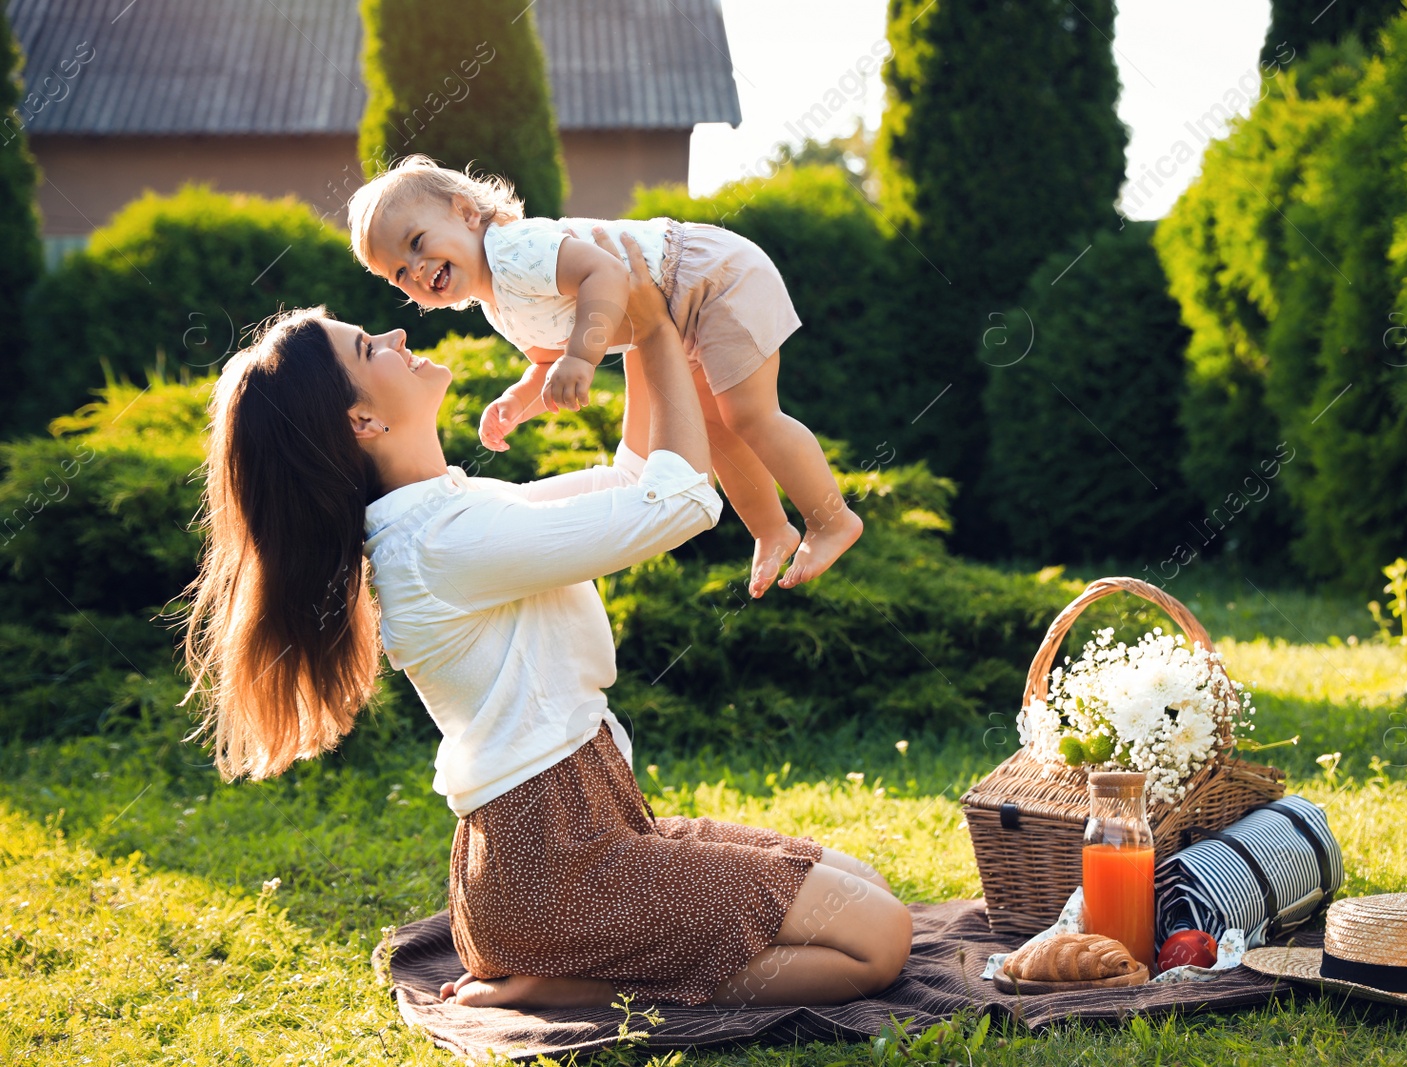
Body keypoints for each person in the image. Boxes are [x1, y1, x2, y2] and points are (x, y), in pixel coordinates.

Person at [180, 231, 911, 1010]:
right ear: (361, 421)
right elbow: (681, 503)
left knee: (860, 888)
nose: (396, 334)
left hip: (590, 831)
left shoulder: (449, 511)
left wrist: (637, 324)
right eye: (370, 346)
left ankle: (580, 968)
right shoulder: (438, 543)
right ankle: (580, 985)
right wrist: (658, 328)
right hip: (552, 868)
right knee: (877, 939)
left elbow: (632, 479)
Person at [346, 155, 863, 600]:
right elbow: (548, 363)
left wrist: (582, 358)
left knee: (749, 414)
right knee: (716, 424)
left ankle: (832, 520)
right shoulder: (497, 306)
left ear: (466, 213)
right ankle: (772, 529)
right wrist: (519, 401)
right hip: (679, 303)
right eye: (397, 272)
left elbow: (606, 275)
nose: (414, 269)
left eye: (416, 243)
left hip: (709, 277)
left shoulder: (515, 249)